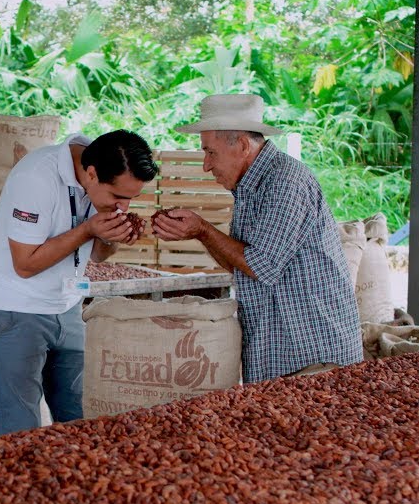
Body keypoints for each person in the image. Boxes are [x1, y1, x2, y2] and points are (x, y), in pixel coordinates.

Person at [151, 94, 361, 383]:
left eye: (210, 152)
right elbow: (239, 264)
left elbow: (261, 265)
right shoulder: (250, 186)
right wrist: (201, 234)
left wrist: (202, 230)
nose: (206, 165)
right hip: (278, 349)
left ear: (242, 145)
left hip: (312, 352)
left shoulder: (285, 181)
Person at [0, 130, 159, 435]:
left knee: (77, 414)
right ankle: (21, 481)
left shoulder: (98, 174)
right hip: (13, 307)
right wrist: (88, 229)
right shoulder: (35, 178)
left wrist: (111, 237)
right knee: (21, 422)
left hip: (67, 305)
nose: (122, 207)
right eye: (118, 198)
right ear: (92, 174)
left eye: (130, 200)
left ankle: (70, 481)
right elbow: (26, 264)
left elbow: (98, 255)